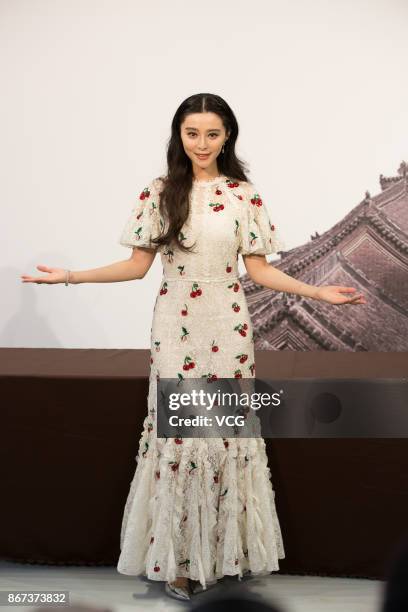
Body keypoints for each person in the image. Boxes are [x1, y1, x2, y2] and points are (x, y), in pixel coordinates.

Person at [20, 93, 366, 601]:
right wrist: (71, 276)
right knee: (180, 438)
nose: (201, 143)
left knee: (225, 437)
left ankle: (226, 555)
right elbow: (137, 267)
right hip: (175, 325)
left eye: (212, 133)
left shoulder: (243, 195)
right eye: (192, 133)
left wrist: (318, 292)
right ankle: (178, 563)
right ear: (178, 136)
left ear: (227, 137)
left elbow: (260, 270)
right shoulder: (159, 192)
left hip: (229, 327)